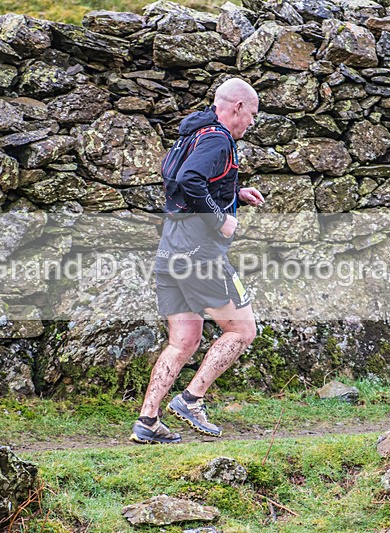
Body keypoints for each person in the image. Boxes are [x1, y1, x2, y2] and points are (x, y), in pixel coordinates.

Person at [130, 78, 266, 444]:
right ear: (237, 107)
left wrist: (234, 192)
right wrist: (220, 219)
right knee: (242, 330)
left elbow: (176, 180)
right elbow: (192, 179)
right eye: (251, 114)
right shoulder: (219, 139)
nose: (251, 123)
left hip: (169, 248)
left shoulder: (193, 133)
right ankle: (191, 399)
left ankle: (147, 421)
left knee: (184, 340)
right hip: (200, 253)